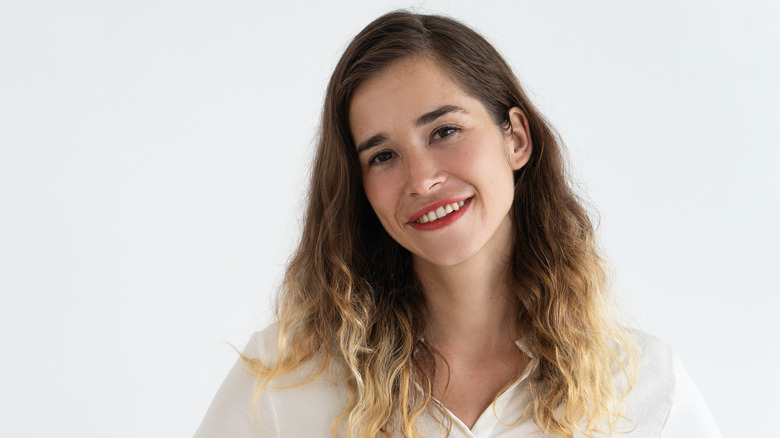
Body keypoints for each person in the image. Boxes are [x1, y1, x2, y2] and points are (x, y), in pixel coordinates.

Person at [194, 11, 721, 438]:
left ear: (515, 138)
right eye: (382, 157)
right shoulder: (285, 382)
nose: (421, 179)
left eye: (445, 130)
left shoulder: (643, 386)